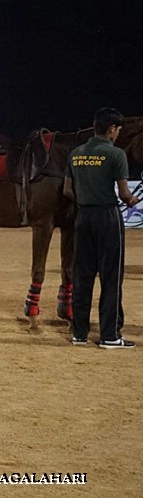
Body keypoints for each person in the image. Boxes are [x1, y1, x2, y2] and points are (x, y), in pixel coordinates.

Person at [63, 107, 139, 348]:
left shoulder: (76, 153)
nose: (117, 134)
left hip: (82, 217)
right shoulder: (116, 155)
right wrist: (130, 200)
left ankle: (79, 334)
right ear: (112, 129)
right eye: (118, 130)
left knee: (82, 276)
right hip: (107, 217)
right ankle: (109, 335)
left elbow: (67, 190)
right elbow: (125, 193)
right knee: (111, 276)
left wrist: (86, 200)